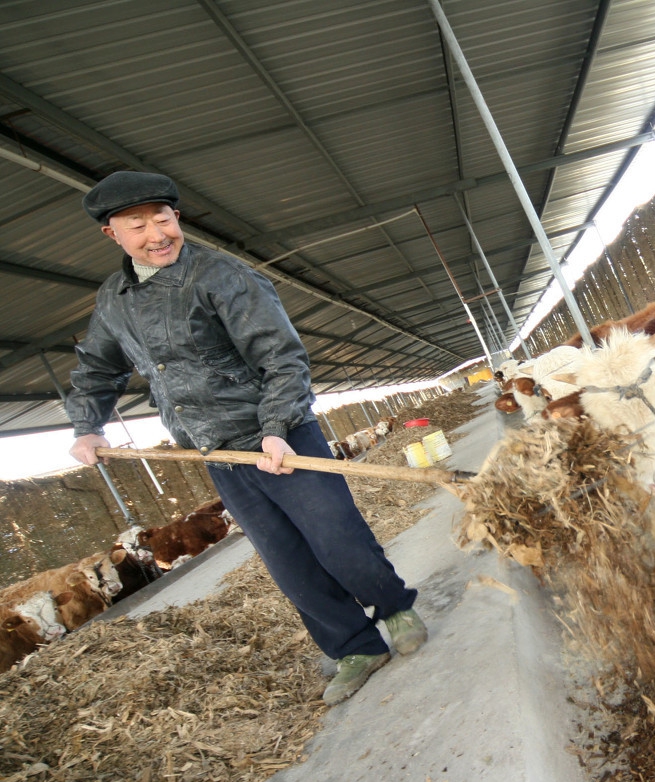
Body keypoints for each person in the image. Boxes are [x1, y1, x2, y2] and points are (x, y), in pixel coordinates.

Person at [65, 171, 428, 705]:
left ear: (177, 217)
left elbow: (281, 356)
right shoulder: (114, 299)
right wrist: (87, 426)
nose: (156, 235)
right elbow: (97, 368)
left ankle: (395, 610)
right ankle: (355, 646)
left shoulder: (219, 274)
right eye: (138, 226)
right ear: (111, 235)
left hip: (278, 435)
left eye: (163, 220)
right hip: (217, 450)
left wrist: (278, 429)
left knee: (337, 538)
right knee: (286, 560)